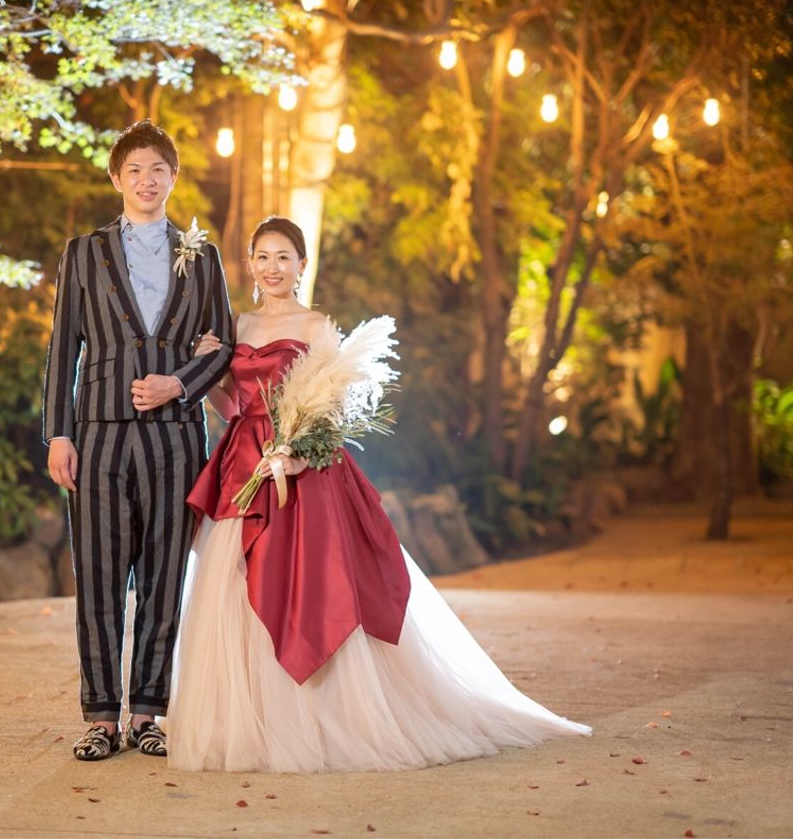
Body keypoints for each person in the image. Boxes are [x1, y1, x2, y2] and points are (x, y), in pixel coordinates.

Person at [165, 216, 590, 773]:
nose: (273, 268)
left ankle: (316, 717)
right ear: (250, 265)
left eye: (284, 257)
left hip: (303, 473)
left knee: (310, 585)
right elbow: (234, 408)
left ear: (301, 266)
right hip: (245, 463)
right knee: (235, 590)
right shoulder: (237, 324)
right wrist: (210, 374)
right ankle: (249, 721)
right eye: (263, 257)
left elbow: (332, 409)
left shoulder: (316, 325)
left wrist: (295, 454)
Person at [41, 120, 234, 761]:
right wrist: (59, 433)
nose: (147, 180)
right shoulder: (83, 253)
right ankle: (101, 717)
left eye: (158, 170)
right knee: (98, 578)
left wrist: (179, 384)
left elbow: (224, 347)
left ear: (173, 178)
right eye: (135, 170)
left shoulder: (202, 255)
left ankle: (148, 713)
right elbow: (63, 348)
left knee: (163, 576)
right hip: (97, 436)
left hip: (176, 438)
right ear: (117, 179)